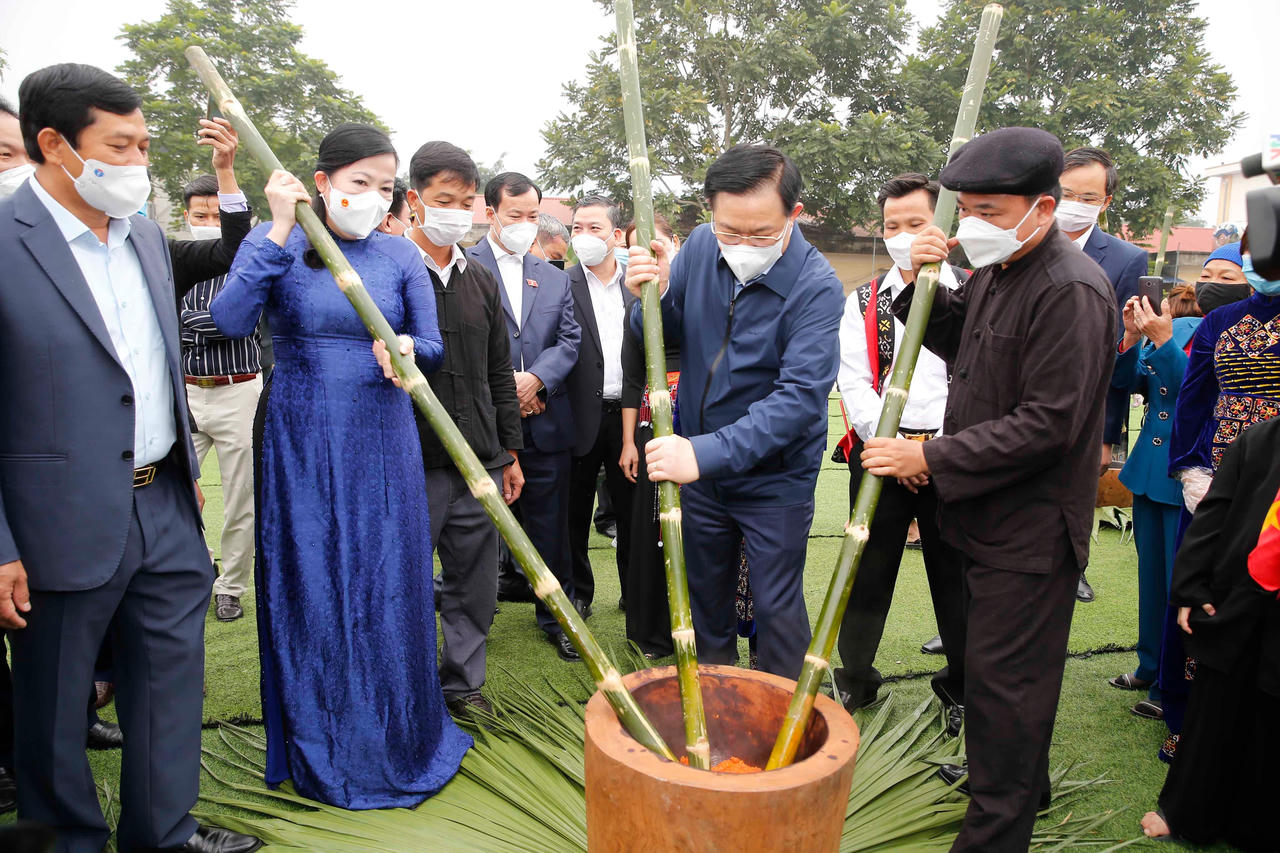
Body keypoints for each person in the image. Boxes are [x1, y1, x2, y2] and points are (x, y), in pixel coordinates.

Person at [0, 63, 261, 853]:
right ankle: (67, 838)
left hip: (165, 504)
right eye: (121, 145)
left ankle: (165, 833)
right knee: (52, 705)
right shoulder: (7, 246)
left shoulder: (146, 233)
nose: (139, 161)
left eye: (144, 143)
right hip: (54, 522)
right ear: (54, 144)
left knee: (172, 685)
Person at [862, 127, 1115, 851]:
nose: (972, 224)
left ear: (1044, 206)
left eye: (989, 211)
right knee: (994, 676)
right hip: (982, 517)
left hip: (1030, 532)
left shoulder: (1068, 287)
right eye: (965, 209)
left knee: (1007, 691)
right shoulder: (1001, 271)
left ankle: (995, 827)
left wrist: (929, 459)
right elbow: (958, 341)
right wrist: (917, 284)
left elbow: (1050, 425)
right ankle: (1014, 785)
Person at [210, 123, 470, 808]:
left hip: (382, 436)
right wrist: (273, 226)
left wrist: (407, 347)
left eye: (384, 187)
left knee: (387, 576)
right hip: (299, 435)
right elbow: (231, 318)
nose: (373, 197)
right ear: (321, 183)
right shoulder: (284, 244)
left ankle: (398, 735)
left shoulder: (399, 257)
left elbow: (436, 347)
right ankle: (319, 739)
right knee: (312, 580)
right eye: (359, 183)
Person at [624, 143, 844, 679]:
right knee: (705, 599)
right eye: (730, 230)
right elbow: (666, 332)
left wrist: (700, 453)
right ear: (710, 214)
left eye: (761, 233)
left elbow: (798, 400)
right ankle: (717, 706)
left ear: (794, 214)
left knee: (776, 603)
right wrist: (645, 298)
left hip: (774, 476)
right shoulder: (700, 246)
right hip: (701, 474)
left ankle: (778, 715)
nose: (743, 245)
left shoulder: (817, 287)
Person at [833, 173, 967, 733]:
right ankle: (855, 677)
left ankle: (960, 688)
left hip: (953, 458)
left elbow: (979, 381)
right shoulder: (864, 299)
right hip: (880, 457)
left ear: (944, 224)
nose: (903, 235)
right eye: (892, 226)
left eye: (916, 223)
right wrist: (890, 446)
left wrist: (933, 453)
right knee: (865, 574)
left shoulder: (976, 292)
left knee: (957, 577)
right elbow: (855, 380)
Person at [404, 141, 523, 717]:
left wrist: (508, 454)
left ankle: (461, 683)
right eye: (442, 199)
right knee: (402, 578)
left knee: (475, 581)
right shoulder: (386, 271)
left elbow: (499, 371)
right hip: (408, 458)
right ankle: (403, 683)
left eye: (466, 200)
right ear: (414, 200)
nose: (456, 210)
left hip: (478, 458)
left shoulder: (480, 279)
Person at [1158, 239, 1280, 760]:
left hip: (1276, 481)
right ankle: (1188, 719)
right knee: (1202, 586)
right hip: (1220, 476)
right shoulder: (1222, 317)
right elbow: (1195, 396)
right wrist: (1189, 467)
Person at [1138, 413, 1280, 850]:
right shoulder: (1261, 439)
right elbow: (1216, 512)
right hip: (1235, 598)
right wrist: (1189, 585)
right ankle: (1188, 811)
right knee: (1217, 700)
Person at [466, 172, 582, 661]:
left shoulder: (553, 274)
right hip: (486, 423)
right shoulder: (462, 266)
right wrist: (509, 395)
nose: (525, 225)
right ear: (491, 212)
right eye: (515, 215)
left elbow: (570, 340)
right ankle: (472, 623)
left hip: (544, 418)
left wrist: (536, 380)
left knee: (551, 526)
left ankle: (556, 617)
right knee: (475, 528)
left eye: (532, 216)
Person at [1056, 146, 1149, 603]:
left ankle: (1072, 570)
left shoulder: (1126, 259)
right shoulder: (1015, 240)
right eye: (1066, 192)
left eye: (1087, 197)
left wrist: (1106, 433)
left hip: (1087, 406)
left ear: (1106, 201)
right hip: (1015, 400)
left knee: (1074, 498)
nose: (1074, 202)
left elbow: (1121, 348)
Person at [1107, 284, 1202, 721]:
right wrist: (1129, 339)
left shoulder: (1220, 334)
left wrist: (1162, 341)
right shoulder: (1165, 334)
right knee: (1152, 579)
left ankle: (1175, 683)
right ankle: (1149, 665)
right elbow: (1125, 383)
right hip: (1149, 472)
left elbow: (1198, 395)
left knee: (1176, 584)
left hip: (1185, 476)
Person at [179, 126, 261, 625]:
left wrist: (189, 323)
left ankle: (231, 584)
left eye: (217, 214)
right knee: (167, 492)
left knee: (241, 499)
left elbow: (241, 320)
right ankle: (195, 570)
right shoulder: (172, 258)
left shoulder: (248, 258)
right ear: (186, 217)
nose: (208, 222)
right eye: (200, 215)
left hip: (238, 391)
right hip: (184, 392)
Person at [566, 195, 638, 619]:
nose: (584, 236)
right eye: (577, 228)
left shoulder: (638, 283)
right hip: (576, 417)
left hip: (628, 418)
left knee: (632, 514)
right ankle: (579, 594)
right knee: (573, 514)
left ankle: (636, 595)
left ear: (615, 235)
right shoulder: (560, 283)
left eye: (594, 228)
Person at [619, 215, 681, 657]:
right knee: (649, 525)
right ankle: (650, 631)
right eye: (636, 249)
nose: (648, 256)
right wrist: (628, 442)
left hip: (697, 424)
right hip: (647, 426)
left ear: (673, 243)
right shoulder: (633, 307)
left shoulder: (699, 293)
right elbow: (631, 378)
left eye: (655, 246)